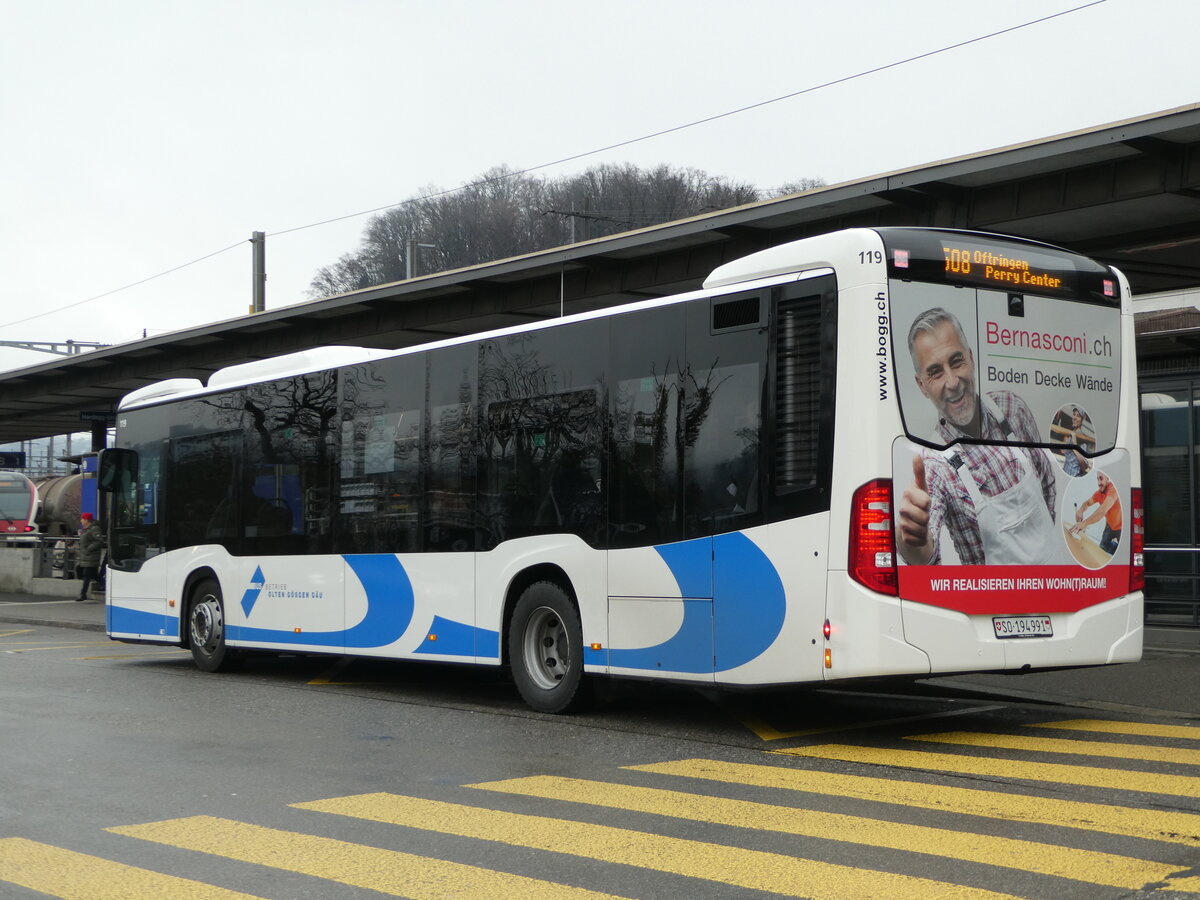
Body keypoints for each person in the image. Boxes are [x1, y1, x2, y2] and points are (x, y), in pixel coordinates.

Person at [896, 307, 1057, 566]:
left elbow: (1046, 480)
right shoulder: (934, 463)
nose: (952, 382)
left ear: (971, 358)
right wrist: (912, 539)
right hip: (993, 605)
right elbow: (927, 554)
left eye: (956, 361)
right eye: (935, 372)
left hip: (1055, 591)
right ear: (922, 386)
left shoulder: (1011, 408)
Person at [1070, 470, 1122, 555]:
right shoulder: (1099, 493)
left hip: (1121, 527)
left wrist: (1083, 524)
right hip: (1110, 525)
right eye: (1097, 479)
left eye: (1101, 479)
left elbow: (1102, 511)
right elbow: (1087, 503)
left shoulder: (1113, 489)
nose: (1099, 482)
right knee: (1103, 546)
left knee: (1122, 553)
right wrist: (1080, 510)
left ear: (1107, 478)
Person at [76, 512, 106, 601]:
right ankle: (106, 586)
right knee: (94, 575)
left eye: (82, 519)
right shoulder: (86, 529)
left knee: (87, 575)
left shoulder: (94, 529)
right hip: (86, 556)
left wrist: (88, 549)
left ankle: (83, 594)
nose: (81, 521)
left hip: (91, 556)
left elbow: (99, 541)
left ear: (86, 520)